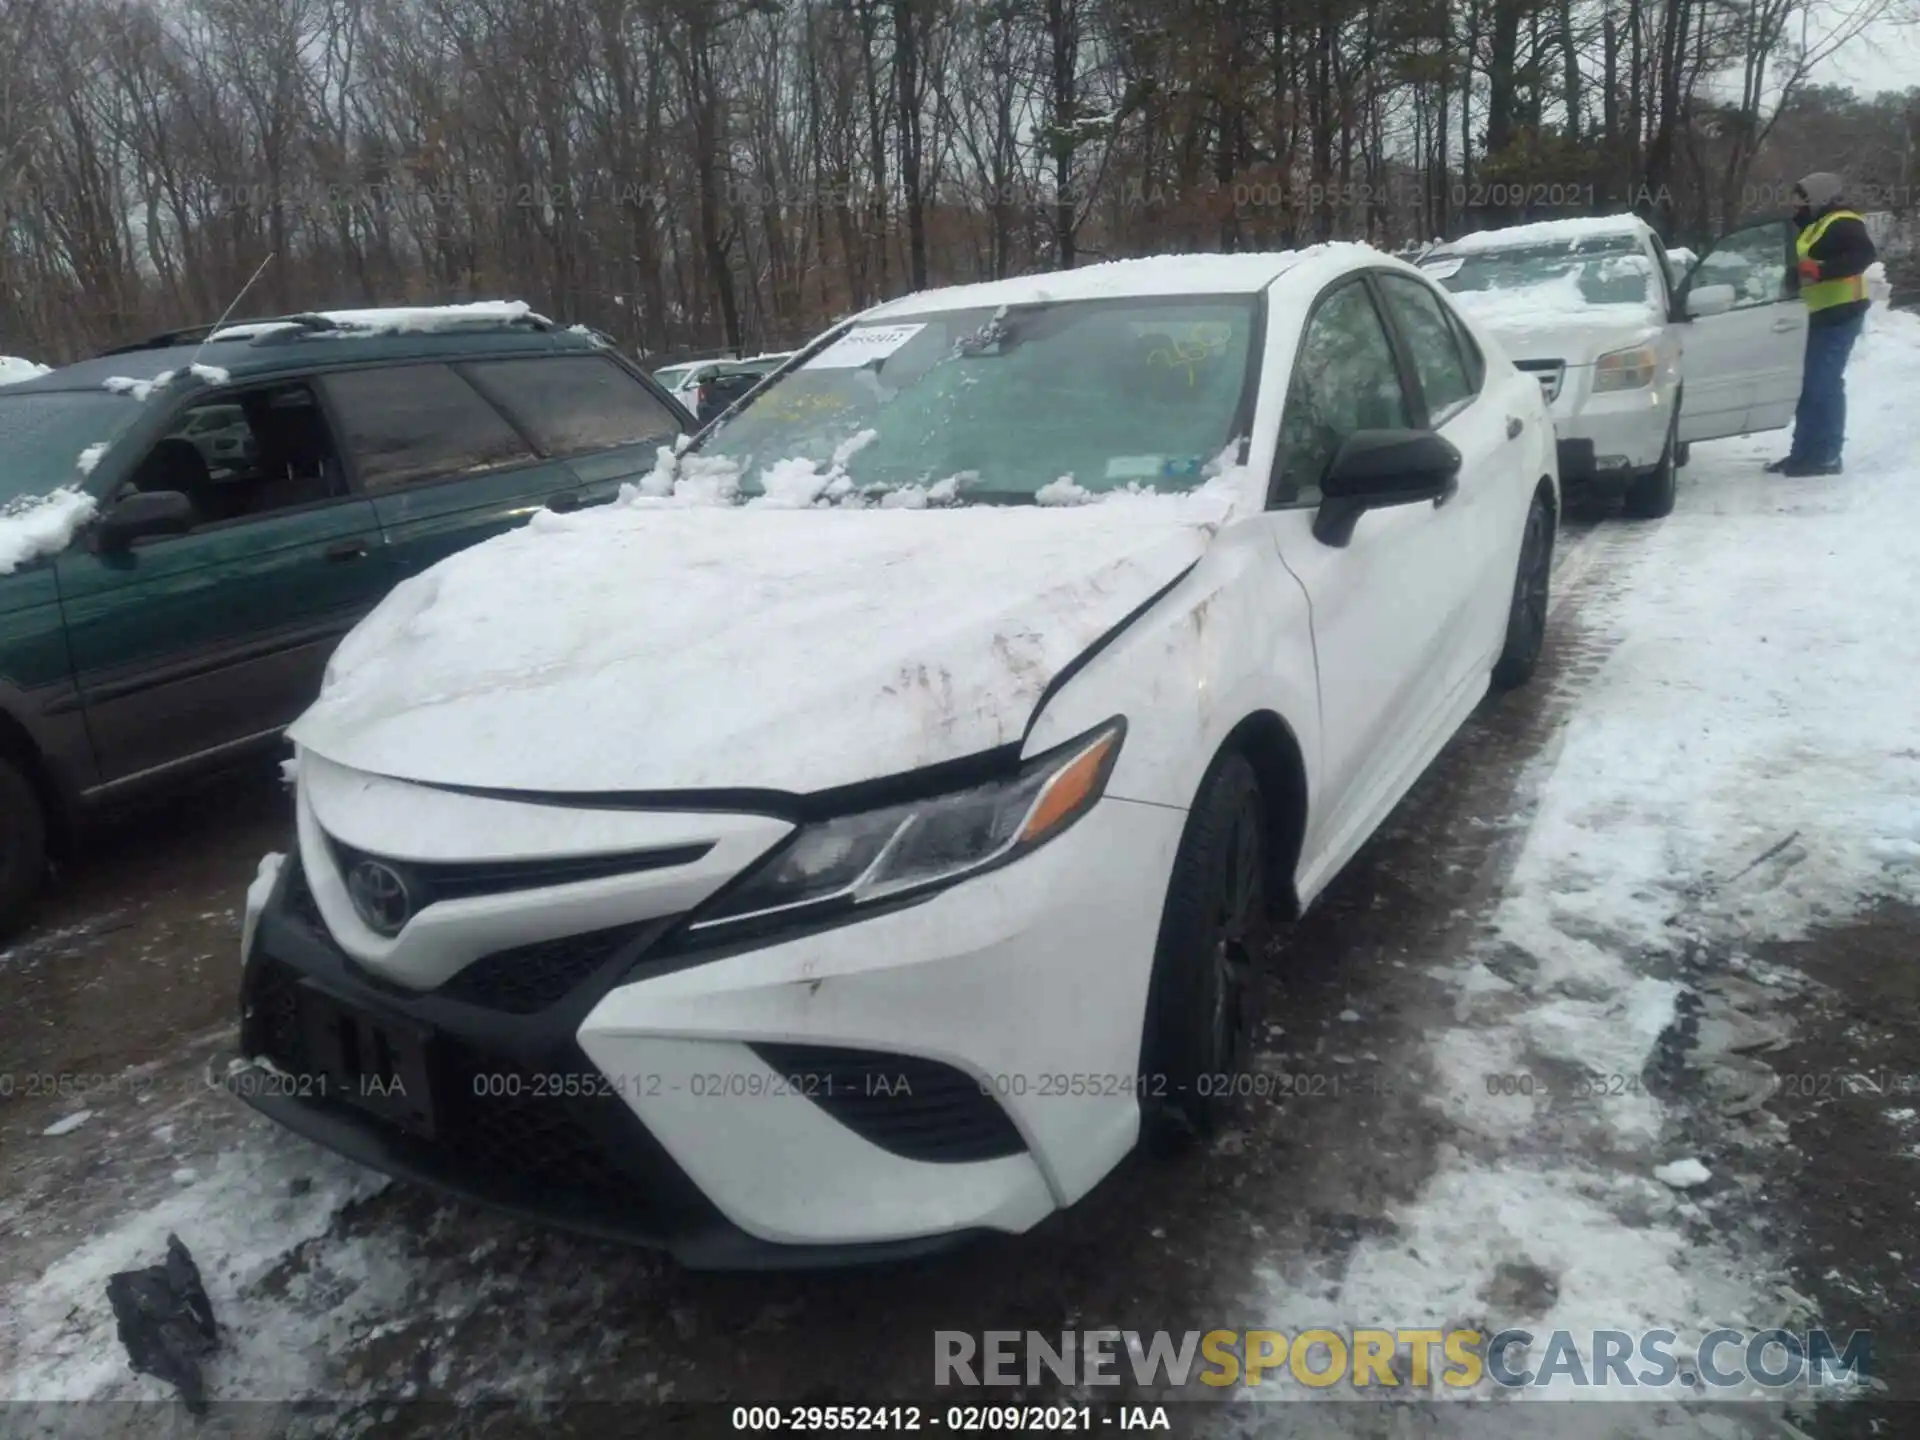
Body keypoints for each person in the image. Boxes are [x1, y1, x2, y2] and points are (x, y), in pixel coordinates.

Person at [1765, 172, 1876, 476]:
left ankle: (1827, 455)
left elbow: (1864, 255)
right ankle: (1802, 454)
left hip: (1841, 314)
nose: (1794, 201)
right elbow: (1800, 265)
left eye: (1799, 195)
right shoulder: (1812, 224)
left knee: (1824, 385)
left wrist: (1822, 271)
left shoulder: (1842, 221)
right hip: (1815, 315)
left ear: (1817, 195)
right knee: (1809, 386)